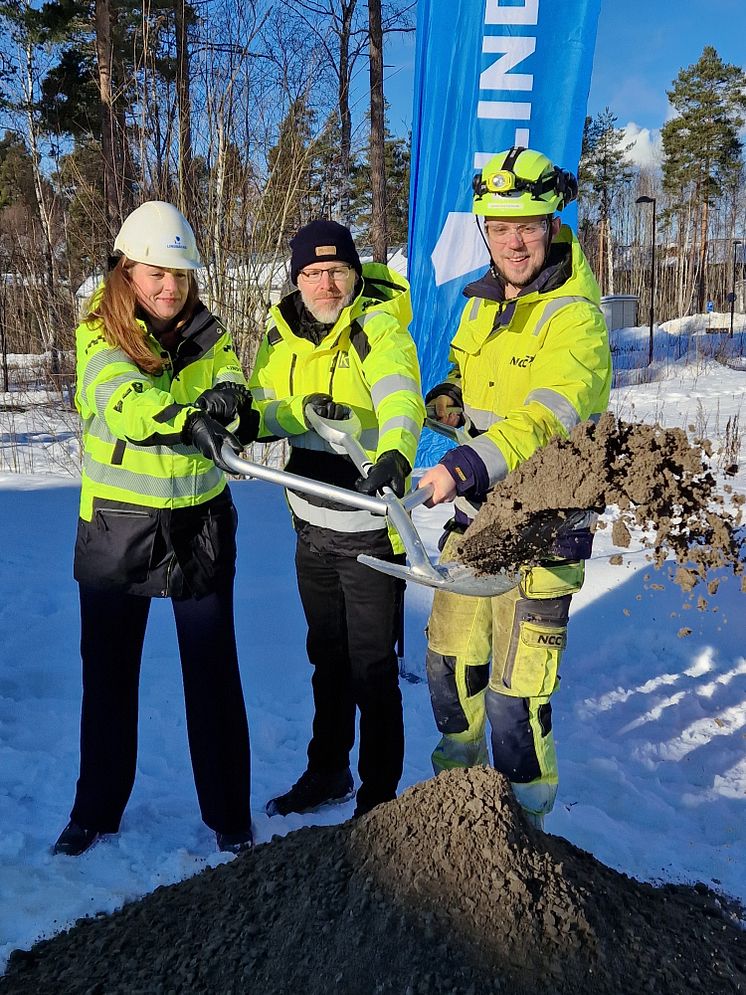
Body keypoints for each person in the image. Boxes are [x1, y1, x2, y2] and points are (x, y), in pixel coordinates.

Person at [53, 201, 257, 857]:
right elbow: (118, 399)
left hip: (199, 524)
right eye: (156, 273)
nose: (171, 287)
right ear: (126, 270)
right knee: (109, 677)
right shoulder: (97, 333)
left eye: (181, 274)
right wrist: (183, 420)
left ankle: (229, 816)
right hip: (119, 527)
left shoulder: (208, 328)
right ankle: (95, 812)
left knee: (213, 676)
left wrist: (229, 398)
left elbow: (229, 370)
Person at [419, 147, 612, 829]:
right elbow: (473, 390)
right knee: (449, 667)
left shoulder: (575, 317)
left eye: (528, 224)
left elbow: (546, 418)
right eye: (500, 227)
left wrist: (465, 464)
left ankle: (523, 832)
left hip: (545, 528)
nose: (514, 240)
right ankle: (459, 808)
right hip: (478, 521)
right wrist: (447, 401)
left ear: (552, 222)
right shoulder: (483, 301)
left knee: (514, 698)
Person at [250, 219, 425, 818]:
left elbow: (402, 394)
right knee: (326, 656)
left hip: (371, 527)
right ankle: (327, 771)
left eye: (337, 271)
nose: (325, 284)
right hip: (309, 521)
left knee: (373, 668)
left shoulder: (378, 328)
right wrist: (282, 412)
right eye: (313, 273)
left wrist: (398, 450)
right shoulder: (280, 335)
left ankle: (378, 798)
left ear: (354, 273)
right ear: (296, 278)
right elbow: (261, 408)